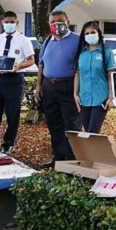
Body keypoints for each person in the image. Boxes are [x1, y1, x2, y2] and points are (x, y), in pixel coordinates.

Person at [35, 10, 82, 168]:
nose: (57, 24)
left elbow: (80, 68)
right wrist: (38, 86)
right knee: (54, 124)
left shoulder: (78, 40)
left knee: (71, 125)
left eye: (60, 21)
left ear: (68, 22)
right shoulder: (48, 41)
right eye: (53, 22)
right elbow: (41, 65)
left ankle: (71, 161)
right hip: (49, 87)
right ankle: (58, 158)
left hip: (68, 86)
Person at [0, 11, 35, 153]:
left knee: (12, 114)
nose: (9, 24)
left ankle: (8, 143)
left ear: (17, 22)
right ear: (2, 23)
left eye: (12, 22)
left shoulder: (23, 40)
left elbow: (31, 59)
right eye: (6, 22)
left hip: (14, 80)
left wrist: (19, 66)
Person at [73, 21, 115, 133]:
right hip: (84, 99)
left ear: (99, 33)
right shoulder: (81, 54)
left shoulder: (107, 53)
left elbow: (111, 76)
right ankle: (91, 151)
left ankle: (95, 150)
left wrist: (111, 97)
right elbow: (78, 74)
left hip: (101, 99)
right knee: (87, 131)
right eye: (86, 33)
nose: (89, 35)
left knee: (93, 132)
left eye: (93, 32)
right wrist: (75, 94)